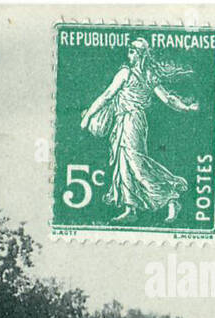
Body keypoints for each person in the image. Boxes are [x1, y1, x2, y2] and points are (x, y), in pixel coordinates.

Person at [80, 37, 200, 223]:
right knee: (124, 163)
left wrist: (88, 116)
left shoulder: (137, 74)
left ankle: (170, 197)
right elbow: (108, 96)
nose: (130, 53)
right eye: (130, 50)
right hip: (123, 121)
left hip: (133, 120)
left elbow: (166, 98)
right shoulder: (131, 73)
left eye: (133, 50)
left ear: (142, 54)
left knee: (136, 163)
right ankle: (131, 209)